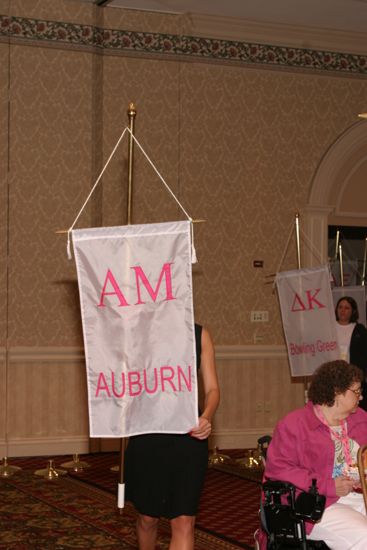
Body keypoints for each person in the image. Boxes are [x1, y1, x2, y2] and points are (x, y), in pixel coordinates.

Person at [124, 323, 220, 550]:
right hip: (147, 434)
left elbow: (212, 390)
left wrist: (206, 416)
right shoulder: (136, 331)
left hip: (188, 437)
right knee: (148, 518)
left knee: (184, 521)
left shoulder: (200, 334)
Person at [264, 360, 367, 550]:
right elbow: (280, 471)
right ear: (337, 391)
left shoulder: (361, 418)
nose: (361, 397)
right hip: (315, 504)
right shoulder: (295, 425)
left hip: (358, 495)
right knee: (364, 536)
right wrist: (328, 485)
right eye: (357, 391)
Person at [335, 296, 367, 410]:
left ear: (353, 311)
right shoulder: (329, 328)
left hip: (353, 376)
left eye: (347, 308)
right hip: (334, 375)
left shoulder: (360, 330)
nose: (342, 310)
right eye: (340, 307)